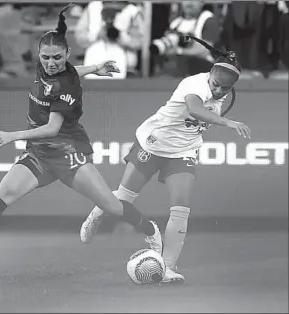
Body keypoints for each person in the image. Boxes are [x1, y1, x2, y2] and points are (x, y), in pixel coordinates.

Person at [0, 4, 163, 262]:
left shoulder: (67, 86)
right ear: (39, 53)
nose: (51, 63)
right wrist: (94, 68)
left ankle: (149, 229)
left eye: (57, 58)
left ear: (67, 54)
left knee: (111, 206)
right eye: (46, 57)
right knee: (3, 193)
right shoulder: (53, 68)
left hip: (69, 156)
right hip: (39, 155)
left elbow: (52, 128)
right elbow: (72, 71)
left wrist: (10, 136)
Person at [80, 35, 251, 283]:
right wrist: (228, 122)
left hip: (183, 151)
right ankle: (97, 212)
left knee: (181, 209)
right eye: (215, 84)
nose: (218, 90)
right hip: (154, 143)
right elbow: (195, 109)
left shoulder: (223, 92)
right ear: (209, 75)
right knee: (124, 199)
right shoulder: (193, 84)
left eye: (224, 88)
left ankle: (168, 267)